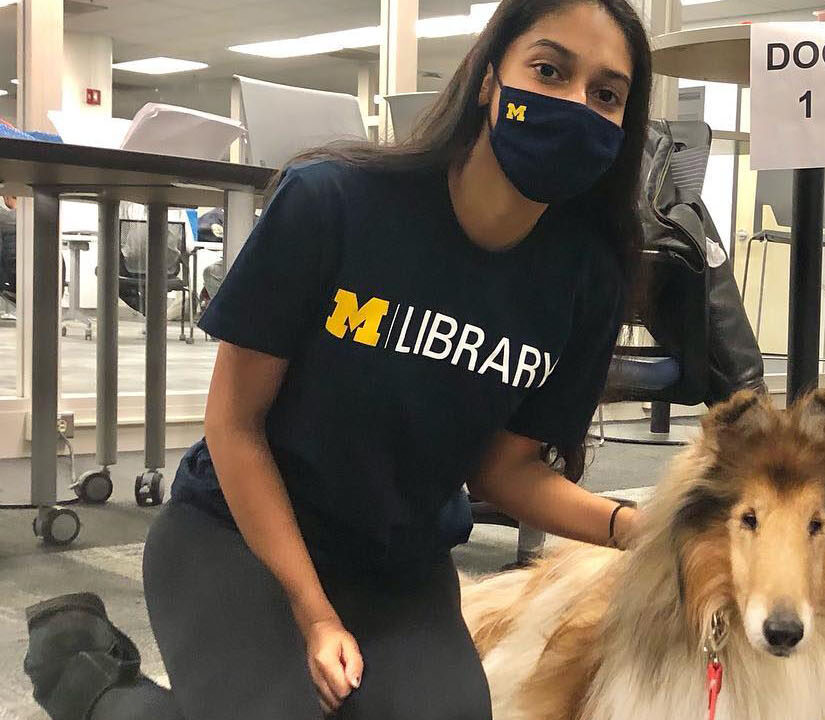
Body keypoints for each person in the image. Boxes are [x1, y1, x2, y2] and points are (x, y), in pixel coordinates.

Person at [23, 1, 652, 718]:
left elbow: (501, 469)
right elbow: (236, 426)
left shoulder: (586, 279)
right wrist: (314, 612)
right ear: (488, 80)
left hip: (398, 566)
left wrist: (637, 529)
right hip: (236, 539)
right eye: (548, 70)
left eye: (606, 95)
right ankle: (89, 679)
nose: (574, 103)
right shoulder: (335, 203)